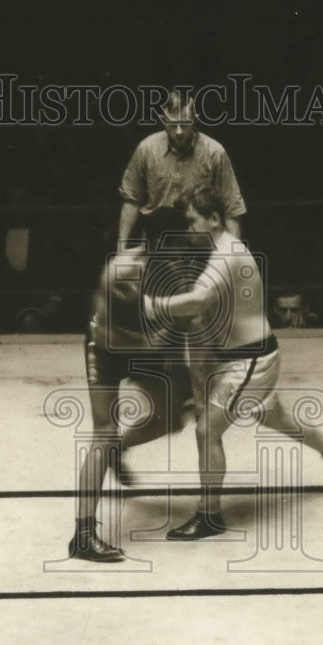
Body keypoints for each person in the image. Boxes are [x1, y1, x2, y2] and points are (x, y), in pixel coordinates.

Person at [143, 187, 323, 541]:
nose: (188, 229)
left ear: (214, 218)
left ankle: (209, 516)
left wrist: (150, 307)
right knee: (277, 418)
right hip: (246, 358)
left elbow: (197, 301)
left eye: (192, 220)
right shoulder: (218, 252)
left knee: (207, 430)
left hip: (249, 362)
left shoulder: (226, 255)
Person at [69, 208, 198, 562]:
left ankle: (119, 449)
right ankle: (82, 535)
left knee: (172, 420)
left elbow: (180, 327)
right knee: (103, 433)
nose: (185, 248)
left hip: (145, 346)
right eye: (178, 243)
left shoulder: (175, 269)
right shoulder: (123, 272)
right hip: (108, 348)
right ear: (157, 241)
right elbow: (158, 331)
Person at [117, 90, 246, 247]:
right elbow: (132, 199)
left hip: (198, 242)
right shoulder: (147, 149)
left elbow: (231, 206)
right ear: (163, 120)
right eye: (173, 124)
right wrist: (121, 246)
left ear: (194, 120)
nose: (179, 131)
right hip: (157, 242)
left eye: (184, 124)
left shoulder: (214, 152)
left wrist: (233, 254)